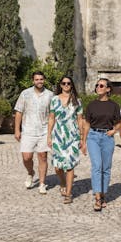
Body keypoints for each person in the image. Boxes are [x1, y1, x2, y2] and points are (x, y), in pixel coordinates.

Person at [82, 78, 121, 211]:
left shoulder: (114, 106)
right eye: (97, 85)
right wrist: (83, 141)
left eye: (101, 85)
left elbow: (119, 122)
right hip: (93, 136)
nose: (98, 87)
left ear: (108, 89)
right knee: (97, 166)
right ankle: (98, 197)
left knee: (106, 168)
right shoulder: (91, 105)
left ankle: (103, 194)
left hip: (107, 138)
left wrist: (114, 130)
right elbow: (86, 124)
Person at [14, 71, 54, 194]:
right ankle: (30, 172)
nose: (39, 81)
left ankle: (42, 183)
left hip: (43, 130)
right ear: (33, 81)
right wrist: (17, 129)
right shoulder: (25, 94)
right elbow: (19, 112)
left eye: (41, 79)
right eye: (37, 79)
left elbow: (52, 114)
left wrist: (51, 133)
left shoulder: (50, 95)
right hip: (28, 130)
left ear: (44, 80)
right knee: (27, 157)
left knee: (43, 157)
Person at [47, 76, 84, 204]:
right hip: (57, 135)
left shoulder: (77, 101)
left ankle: (68, 193)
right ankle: (62, 182)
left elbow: (80, 120)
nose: (66, 85)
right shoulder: (54, 100)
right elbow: (51, 118)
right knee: (58, 167)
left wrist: (82, 137)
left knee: (69, 165)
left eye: (69, 83)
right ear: (61, 85)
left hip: (72, 136)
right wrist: (49, 136)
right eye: (64, 83)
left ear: (72, 85)